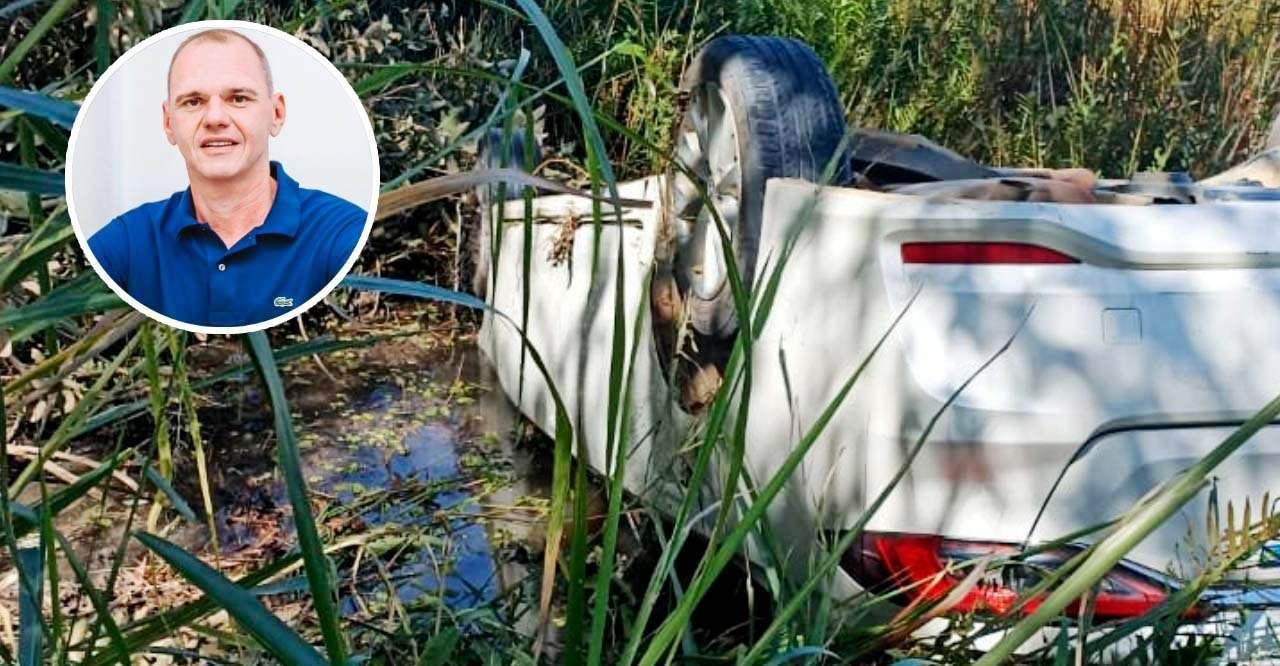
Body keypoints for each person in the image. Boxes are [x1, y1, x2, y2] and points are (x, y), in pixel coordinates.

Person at [88, 28, 367, 327]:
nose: (215, 119)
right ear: (169, 123)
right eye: (193, 102)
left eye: (238, 98)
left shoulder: (340, 232)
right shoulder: (130, 240)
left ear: (276, 113)